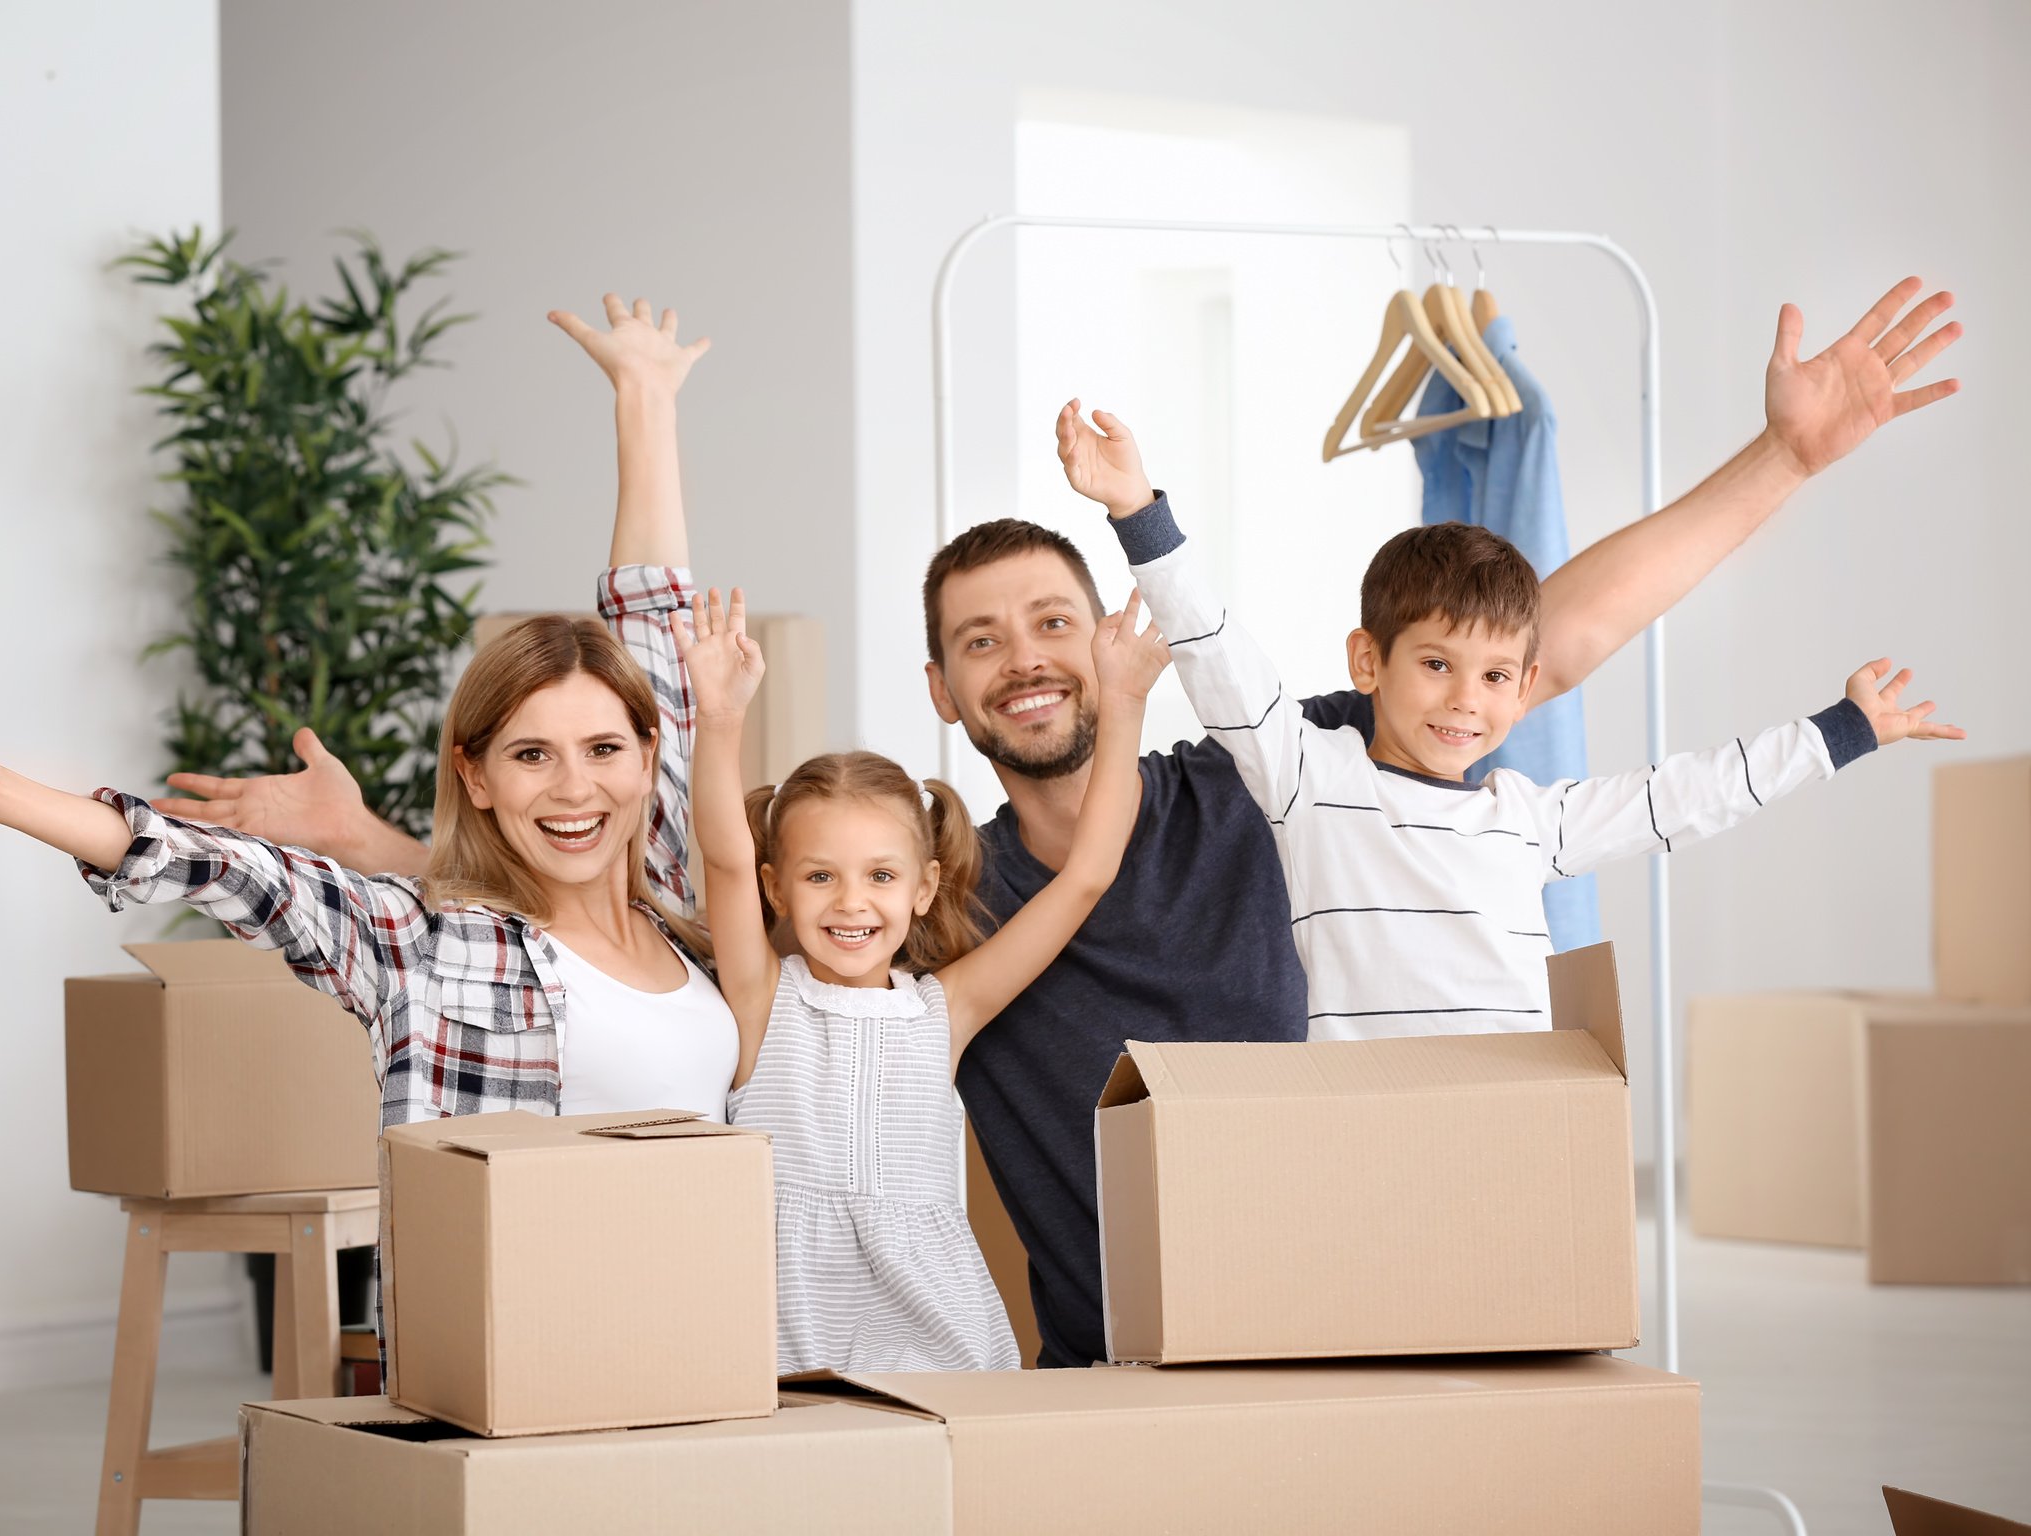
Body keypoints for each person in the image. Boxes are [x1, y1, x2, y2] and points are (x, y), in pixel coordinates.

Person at [171, 278, 1964, 1368]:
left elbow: (1535, 642)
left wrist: (1787, 461)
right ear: (940, 699)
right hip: (1133, 1351)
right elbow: (643, 895)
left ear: (1116, 636)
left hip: (1359, 1281)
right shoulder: (921, 897)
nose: (1024, 660)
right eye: (977, 645)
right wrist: (393, 853)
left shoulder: (1263, 790)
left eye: (1051, 619)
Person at [0, 296, 745, 1137]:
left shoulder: (671, 900)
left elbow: (654, 624)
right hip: (524, 1326)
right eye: (532, 753)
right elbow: (215, 865)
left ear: (649, 752)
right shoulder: (422, 942)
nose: (578, 786)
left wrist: (645, 397)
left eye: (605, 748)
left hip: (709, 1325)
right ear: (475, 774)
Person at [1070, 415, 1962, 1033]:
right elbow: (1219, 656)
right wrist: (1138, 509)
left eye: (1496, 676)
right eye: (1436, 665)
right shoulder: (1311, 776)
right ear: (1366, 661)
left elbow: (1685, 798)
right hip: (1363, 1129)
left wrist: (1843, 731)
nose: (1466, 698)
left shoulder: (1527, 819)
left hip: (1515, 1111)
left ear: (1526, 684)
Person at [673, 584, 1165, 1371]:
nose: (852, 903)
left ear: (924, 888)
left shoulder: (945, 1010)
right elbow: (726, 856)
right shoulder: (764, 1001)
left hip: (938, 1331)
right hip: (789, 1332)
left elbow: (1085, 876)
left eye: (879, 876)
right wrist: (720, 718)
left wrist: (1127, 700)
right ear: (776, 889)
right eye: (820, 878)